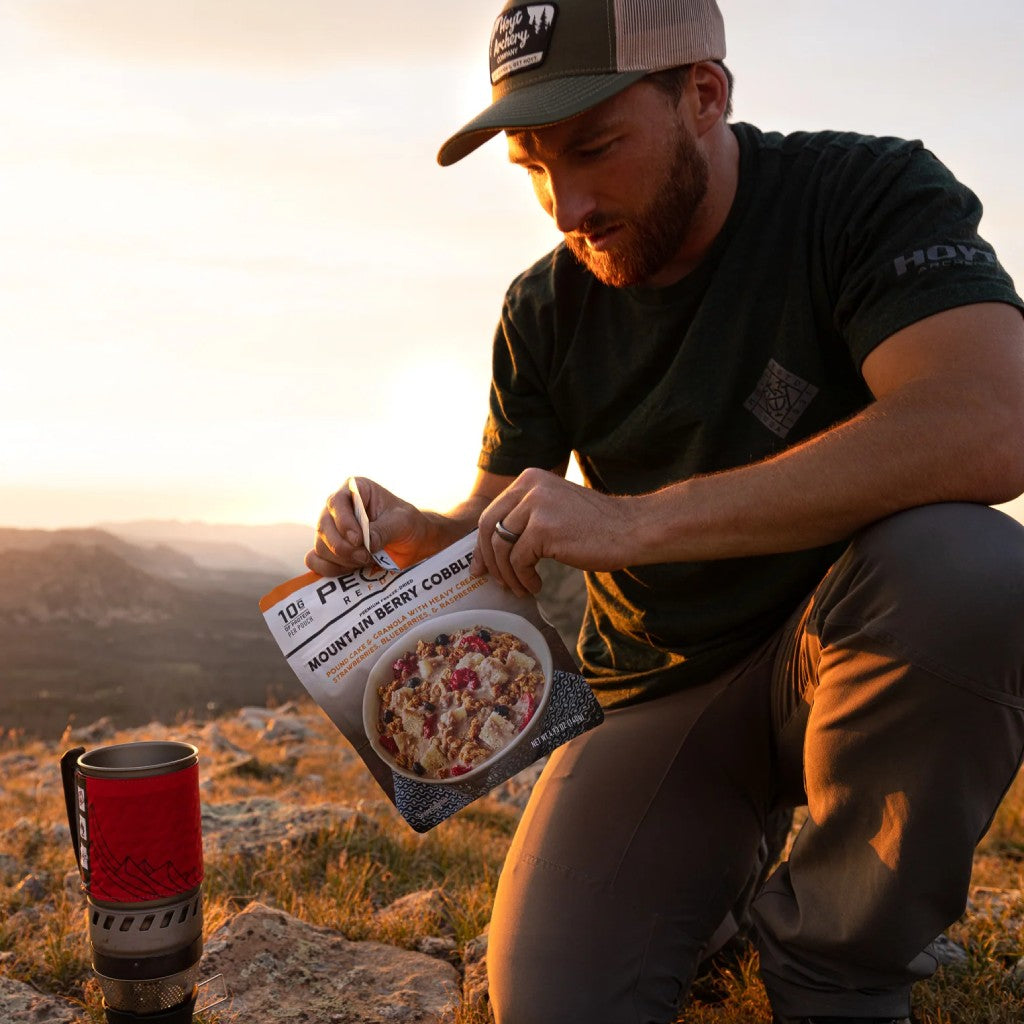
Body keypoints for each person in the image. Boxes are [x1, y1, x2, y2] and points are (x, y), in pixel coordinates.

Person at [305, 1, 1024, 1021]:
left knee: (967, 567)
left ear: (704, 95)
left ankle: (838, 968)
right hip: (661, 690)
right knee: (556, 1004)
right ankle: (717, 884)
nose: (567, 206)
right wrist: (426, 531)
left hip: (859, 649)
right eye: (533, 166)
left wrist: (635, 522)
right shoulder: (543, 308)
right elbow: (497, 508)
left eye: (596, 148)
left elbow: (991, 419)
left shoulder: (862, 194)